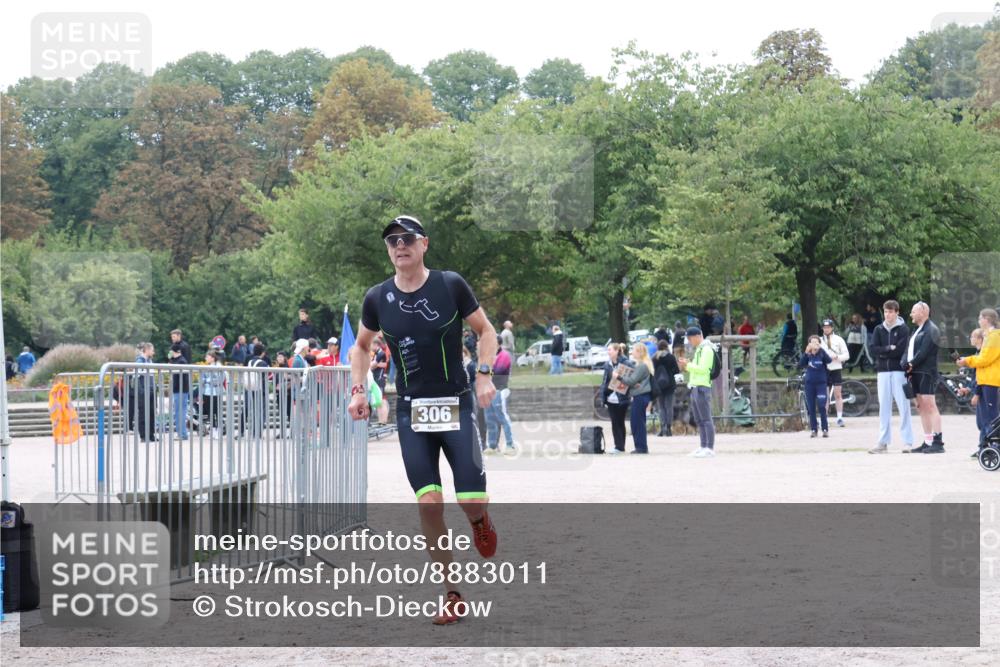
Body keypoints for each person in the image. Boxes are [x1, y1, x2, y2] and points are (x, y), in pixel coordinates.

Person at [348, 214, 499, 625]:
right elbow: (361, 348)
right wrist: (358, 389)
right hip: (412, 409)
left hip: (456, 403)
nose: (400, 245)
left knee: (469, 500)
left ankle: (479, 520)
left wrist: (484, 375)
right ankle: (451, 593)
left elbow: (486, 332)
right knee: (430, 503)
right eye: (393, 240)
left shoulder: (450, 284)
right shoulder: (377, 298)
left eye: (407, 238)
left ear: (424, 244)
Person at [868, 300, 913, 454]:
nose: (888, 314)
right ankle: (883, 442)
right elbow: (873, 349)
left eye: (891, 311)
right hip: (882, 372)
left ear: (897, 312)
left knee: (903, 406)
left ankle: (907, 441)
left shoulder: (903, 329)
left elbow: (900, 350)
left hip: (898, 371)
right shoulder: (878, 329)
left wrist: (884, 352)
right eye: (886, 312)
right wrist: (887, 348)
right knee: (884, 407)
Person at [958, 308, 1000, 458]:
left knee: (992, 418)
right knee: (987, 418)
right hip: (985, 381)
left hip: (991, 381)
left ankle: (994, 446)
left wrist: (967, 361)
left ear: (987, 319)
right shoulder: (990, 336)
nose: (978, 320)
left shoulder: (995, 336)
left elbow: (985, 359)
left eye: (980, 318)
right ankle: (987, 446)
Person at [903, 302, 944, 453]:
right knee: (921, 406)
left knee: (930, 405)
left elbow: (924, 352)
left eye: (913, 311)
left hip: (926, 372)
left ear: (923, 311)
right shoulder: (917, 330)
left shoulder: (932, 329)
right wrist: (905, 363)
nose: (911, 314)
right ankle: (928, 441)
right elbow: (908, 350)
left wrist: (910, 364)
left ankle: (938, 442)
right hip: (916, 372)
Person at [678, 327, 716, 458]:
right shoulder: (699, 349)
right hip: (695, 386)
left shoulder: (706, 349)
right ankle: (703, 445)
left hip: (702, 386)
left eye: (690, 338)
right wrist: (688, 364)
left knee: (706, 418)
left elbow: (704, 369)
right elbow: (697, 368)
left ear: (698, 336)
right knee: (699, 419)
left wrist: (688, 365)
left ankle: (709, 447)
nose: (689, 341)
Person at [617, 344, 653, 453]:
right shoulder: (642, 365)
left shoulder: (642, 366)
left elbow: (631, 381)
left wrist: (618, 377)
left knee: (637, 422)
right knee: (638, 421)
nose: (632, 353)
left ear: (640, 352)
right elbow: (634, 381)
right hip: (641, 395)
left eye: (634, 351)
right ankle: (640, 446)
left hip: (641, 396)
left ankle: (641, 447)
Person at [599, 343, 633, 454]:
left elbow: (630, 379)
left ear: (617, 351)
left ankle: (620, 446)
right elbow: (604, 381)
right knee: (614, 423)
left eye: (610, 350)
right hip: (610, 398)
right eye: (608, 350)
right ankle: (618, 446)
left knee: (620, 422)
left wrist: (618, 377)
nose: (608, 352)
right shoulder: (607, 365)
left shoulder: (626, 362)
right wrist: (603, 396)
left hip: (622, 397)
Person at [484, 335, 515, 453]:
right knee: (490, 418)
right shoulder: (488, 355)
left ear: (498, 343)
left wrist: (486, 370)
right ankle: (492, 445)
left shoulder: (504, 356)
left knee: (502, 417)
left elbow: (498, 370)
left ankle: (510, 444)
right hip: (489, 390)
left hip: (500, 389)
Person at [959, 329, 987, 457]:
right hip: (981, 389)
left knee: (985, 422)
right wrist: (968, 389)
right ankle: (983, 447)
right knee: (981, 423)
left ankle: (986, 448)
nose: (970, 338)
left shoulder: (983, 355)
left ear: (980, 339)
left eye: (973, 336)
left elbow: (982, 377)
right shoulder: (978, 353)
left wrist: (976, 393)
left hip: (985, 390)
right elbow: (975, 377)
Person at [798, 335, 833, 437]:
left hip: (821, 384)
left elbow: (829, 361)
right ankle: (814, 429)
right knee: (811, 408)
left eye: (817, 342)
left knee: (822, 405)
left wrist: (820, 349)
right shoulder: (807, 355)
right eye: (812, 342)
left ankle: (825, 429)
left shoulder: (822, 353)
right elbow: (800, 364)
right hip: (809, 384)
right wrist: (806, 352)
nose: (815, 344)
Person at [819, 319, 851, 427]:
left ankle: (840, 417)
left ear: (832, 328)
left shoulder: (839, 339)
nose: (826, 329)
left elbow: (846, 355)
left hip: (836, 368)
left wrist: (837, 357)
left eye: (828, 327)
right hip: (824, 369)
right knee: (825, 395)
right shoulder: (819, 340)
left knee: (838, 394)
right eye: (824, 327)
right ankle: (824, 418)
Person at [652, 339, 679, 436]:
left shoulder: (654, 358)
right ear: (666, 347)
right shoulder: (671, 357)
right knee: (669, 407)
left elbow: (652, 371)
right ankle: (668, 428)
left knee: (661, 407)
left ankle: (662, 427)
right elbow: (677, 370)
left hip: (658, 386)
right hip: (670, 385)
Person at [168, 342, 191, 440]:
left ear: (174, 351)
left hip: (180, 390)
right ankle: (182, 433)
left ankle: (182, 434)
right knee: (179, 411)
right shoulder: (178, 360)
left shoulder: (181, 361)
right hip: (179, 390)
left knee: (179, 412)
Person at [201, 350, 225, 437]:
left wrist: (208, 381)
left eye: (207, 357)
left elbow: (220, 379)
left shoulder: (219, 366)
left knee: (217, 412)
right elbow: (202, 379)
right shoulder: (207, 367)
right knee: (210, 412)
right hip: (207, 392)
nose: (206, 358)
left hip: (216, 392)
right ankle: (213, 429)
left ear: (212, 358)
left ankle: (218, 429)